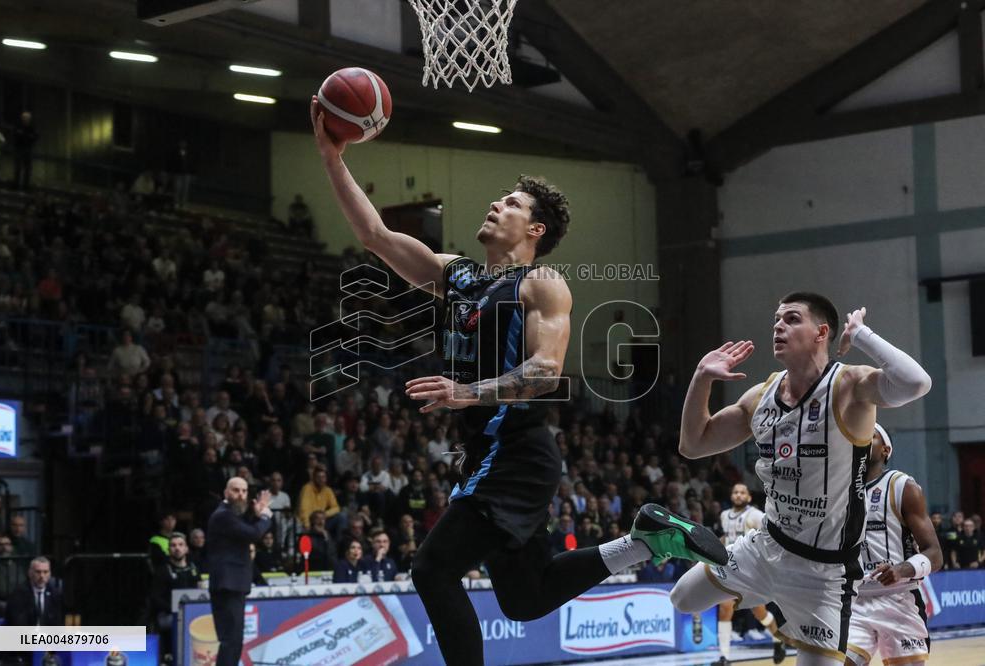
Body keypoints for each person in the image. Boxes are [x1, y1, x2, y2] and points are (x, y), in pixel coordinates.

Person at [311, 97, 727, 666]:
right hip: (490, 452)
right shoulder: (457, 276)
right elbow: (377, 236)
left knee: (432, 568)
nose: (494, 203)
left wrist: (469, 392)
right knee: (525, 598)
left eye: (509, 202)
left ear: (533, 228)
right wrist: (332, 156)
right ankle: (645, 542)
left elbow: (546, 372)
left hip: (517, 452)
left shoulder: (541, 284)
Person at [673, 294, 932, 665]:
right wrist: (701, 378)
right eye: (776, 319)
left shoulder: (849, 386)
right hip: (765, 547)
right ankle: (769, 606)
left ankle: (781, 614)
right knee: (683, 598)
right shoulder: (760, 396)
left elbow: (917, 383)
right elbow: (693, 445)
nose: (778, 326)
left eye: (792, 319)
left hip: (823, 575)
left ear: (821, 332)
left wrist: (861, 335)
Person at [845, 424, 943, 666]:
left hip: (899, 598)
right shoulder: (838, 492)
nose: (862, 437)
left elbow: (935, 555)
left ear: (886, 449)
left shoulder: (902, 486)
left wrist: (900, 570)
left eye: (872, 434)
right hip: (855, 599)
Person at [710, 484, 784, 666]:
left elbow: (770, 535)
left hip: (751, 570)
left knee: (759, 612)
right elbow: (727, 538)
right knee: (724, 609)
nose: (738, 495)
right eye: (735, 492)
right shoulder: (724, 515)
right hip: (729, 568)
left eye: (742, 492)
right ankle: (724, 657)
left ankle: (778, 639)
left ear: (749, 497)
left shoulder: (756, 515)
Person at [206, 477, 271, 666]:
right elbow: (252, 533)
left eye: (244, 491)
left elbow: (245, 524)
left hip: (234, 584)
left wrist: (256, 513)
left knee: (234, 640)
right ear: (226, 492)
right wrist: (265, 516)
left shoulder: (231, 515)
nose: (241, 495)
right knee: (230, 640)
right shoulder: (222, 515)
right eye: (236, 490)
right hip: (228, 584)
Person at [149, 533, 200, 662]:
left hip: (194, 614)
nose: (177, 548)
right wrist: (174, 609)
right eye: (173, 545)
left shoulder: (194, 569)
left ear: (186, 548)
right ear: (168, 550)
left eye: (180, 545)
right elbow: (156, 598)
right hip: (169, 614)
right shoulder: (162, 571)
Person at [4, 556, 63, 625]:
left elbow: (59, 622)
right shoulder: (19, 594)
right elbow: (18, 623)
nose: (42, 576)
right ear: (30, 573)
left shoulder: (55, 593)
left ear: (50, 574)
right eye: (38, 572)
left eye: (45, 572)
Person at [12, 111, 37, 191]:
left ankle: (26, 186)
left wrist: (26, 136)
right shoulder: (18, 126)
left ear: (29, 119)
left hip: (28, 149)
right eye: (24, 117)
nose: (25, 119)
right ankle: (16, 185)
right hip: (19, 149)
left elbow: (35, 137)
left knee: (27, 169)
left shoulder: (32, 127)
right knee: (18, 168)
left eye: (27, 118)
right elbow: (15, 135)